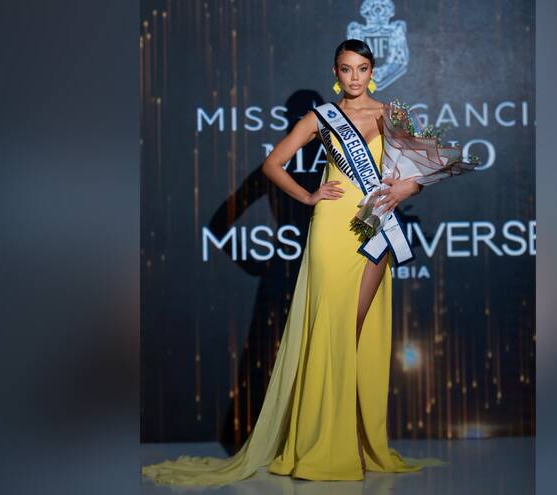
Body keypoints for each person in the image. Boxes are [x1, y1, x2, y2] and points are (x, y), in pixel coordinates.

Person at [141, 39, 444, 487]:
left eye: (362, 68)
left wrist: (405, 190)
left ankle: (352, 440)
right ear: (335, 72)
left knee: (355, 332)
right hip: (330, 228)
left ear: (372, 70)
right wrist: (308, 195)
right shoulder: (320, 118)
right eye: (346, 69)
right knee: (330, 331)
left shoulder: (391, 113)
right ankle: (327, 445)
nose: (355, 77)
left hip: (375, 226)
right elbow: (273, 165)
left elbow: (421, 171)